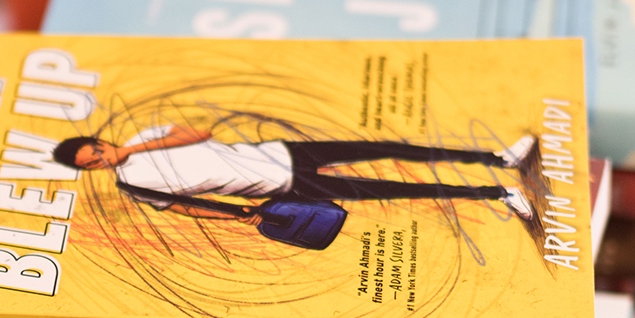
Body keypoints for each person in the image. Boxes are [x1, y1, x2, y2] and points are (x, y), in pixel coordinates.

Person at [51, 125, 537, 221]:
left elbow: (198, 132)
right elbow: (185, 208)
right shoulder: (132, 185)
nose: (101, 160)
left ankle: (499, 159)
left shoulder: (144, 136)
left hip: (284, 152)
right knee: (396, 189)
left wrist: (134, 147)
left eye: (97, 151)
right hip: (286, 185)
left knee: (391, 149)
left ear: (101, 140)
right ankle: (497, 194)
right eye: (92, 164)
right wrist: (238, 217)